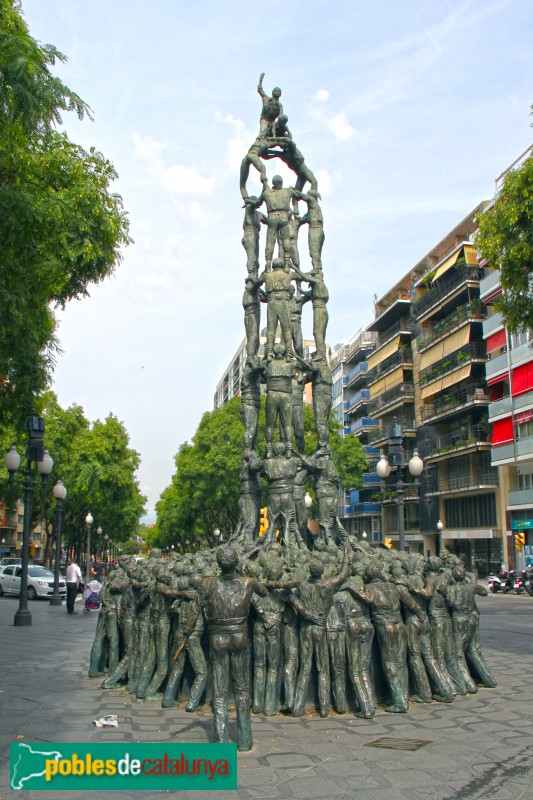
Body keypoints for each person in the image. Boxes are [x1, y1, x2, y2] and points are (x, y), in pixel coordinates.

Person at [173, 544, 269, 751]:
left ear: (218, 564)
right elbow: (264, 591)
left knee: (220, 690)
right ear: (236, 563)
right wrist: (244, 577)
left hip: (218, 638)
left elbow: (194, 610)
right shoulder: (248, 583)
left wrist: (186, 634)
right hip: (239, 636)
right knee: (242, 688)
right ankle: (245, 739)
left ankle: (220, 738)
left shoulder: (207, 584)